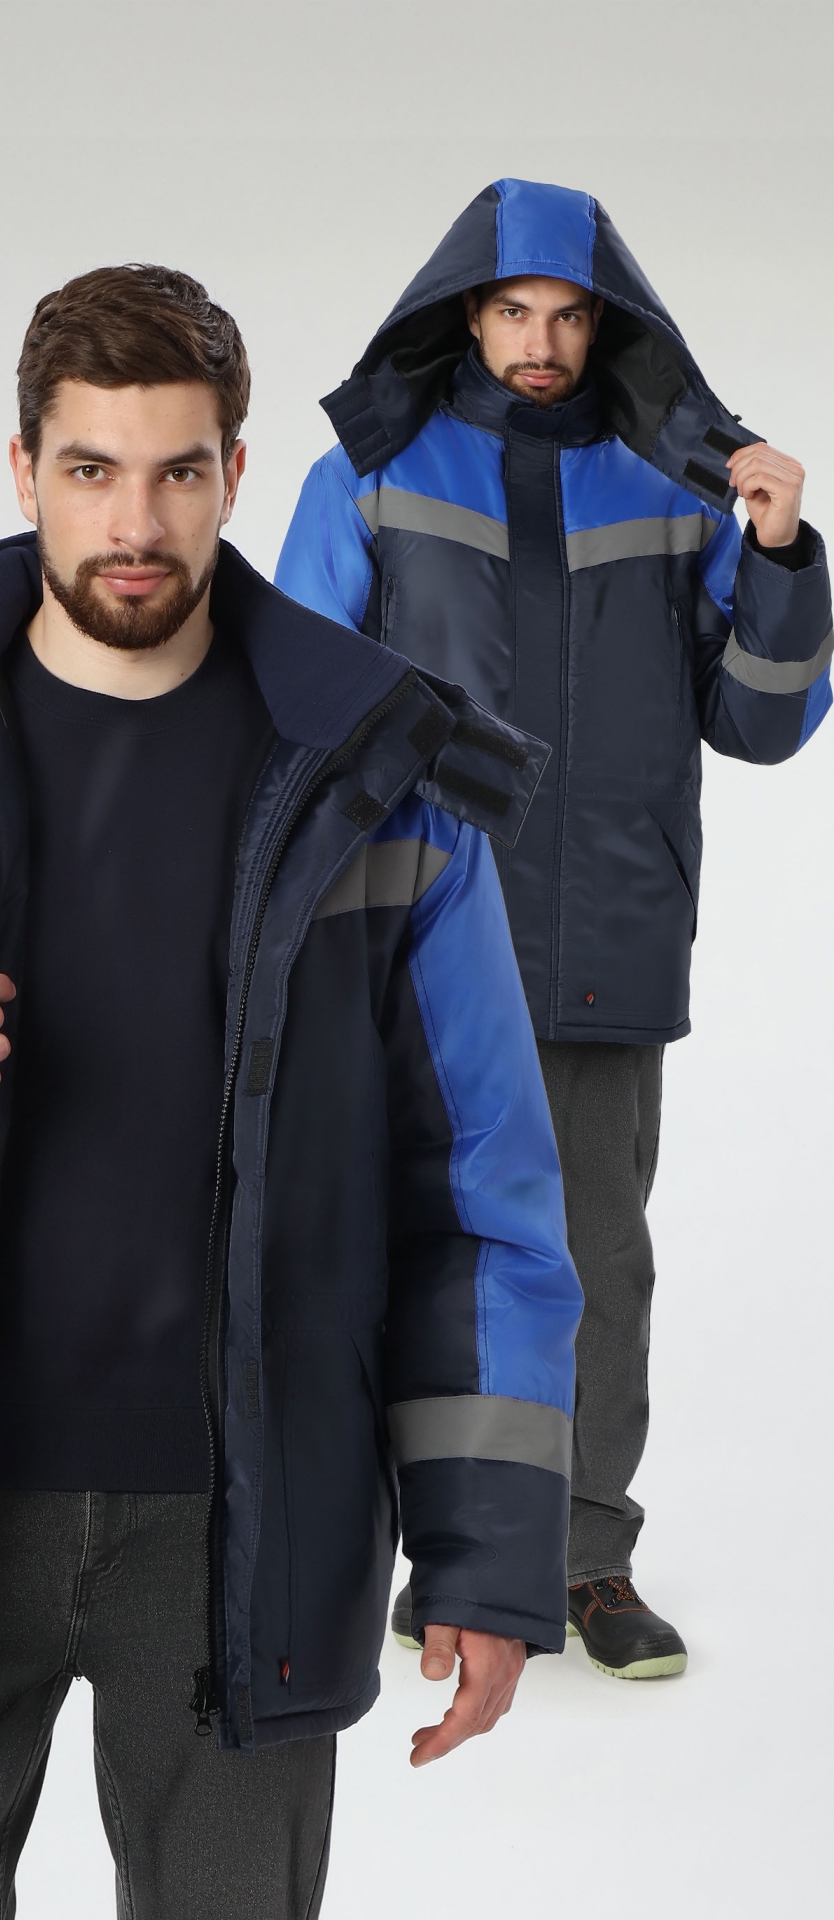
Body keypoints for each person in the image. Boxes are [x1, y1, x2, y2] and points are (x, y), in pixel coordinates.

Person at [0, 264, 581, 1915]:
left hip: (244, 1527)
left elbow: (485, 1195)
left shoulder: (381, 784)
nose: (135, 523)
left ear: (235, 474)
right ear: (21, 471)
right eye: (90, 469)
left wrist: (487, 1556)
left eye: (177, 471)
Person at [276, 177, 832, 1681]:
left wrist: (784, 558)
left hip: (608, 929)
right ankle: (442, 1554)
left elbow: (761, 724)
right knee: (412, 1249)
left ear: (606, 323)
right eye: (515, 311)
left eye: (569, 316)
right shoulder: (372, 476)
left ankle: (589, 1560)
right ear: (469, 312)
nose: (541, 342)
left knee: (594, 1262)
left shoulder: (680, 483)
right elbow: (297, 711)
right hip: (415, 939)